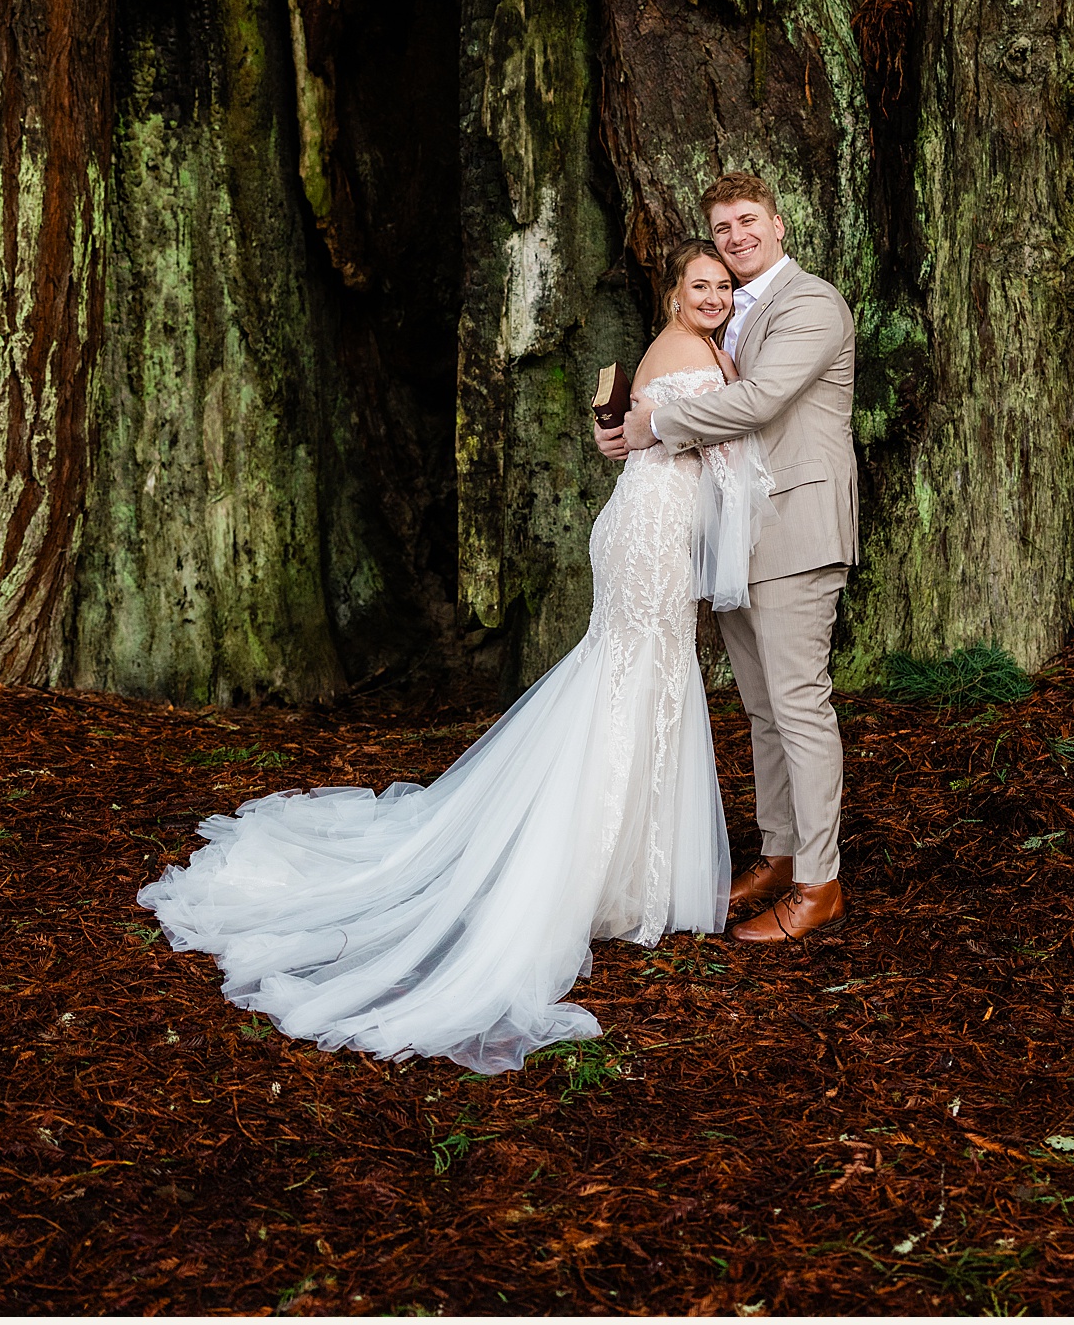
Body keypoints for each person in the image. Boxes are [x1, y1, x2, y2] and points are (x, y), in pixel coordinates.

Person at [139, 240, 771, 1074]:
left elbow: (624, 433)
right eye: (702, 284)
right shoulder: (691, 349)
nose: (716, 295)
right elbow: (707, 432)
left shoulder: (692, 347)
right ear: (675, 293)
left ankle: (621, 870)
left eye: (724, 285)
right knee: (633, 680)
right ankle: (585, 873)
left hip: (647, 522)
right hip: (649, 531)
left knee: (635, 678)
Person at [602, 171, 858, 942]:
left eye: (748, 221)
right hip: (739, 540)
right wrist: (623, 424)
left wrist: (657, 423)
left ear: (779, 225)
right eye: (722, 229)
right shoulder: (727, 319)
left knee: (800, 703)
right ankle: (779, 854)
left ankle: (819, 881)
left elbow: (760, 400)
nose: (736, 237)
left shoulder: (811, 303)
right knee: (763, 708)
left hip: (798, 527)